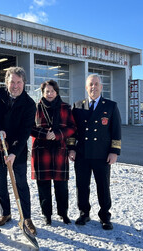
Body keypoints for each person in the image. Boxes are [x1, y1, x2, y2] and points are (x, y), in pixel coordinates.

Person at [0, 67, 37, 235]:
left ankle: (26, 217)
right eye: (12, 82)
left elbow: (24, 132)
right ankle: (5, 213)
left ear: (24, 83)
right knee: (1, 182)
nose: (15, 86)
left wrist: (14, 152)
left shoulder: (29, 104)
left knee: (21, 183)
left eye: (19, 82)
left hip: (18, 151)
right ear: (6, 82)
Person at [69, 74, 121, 230]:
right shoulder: (77, 106)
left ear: (101, 87)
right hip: (82, 154)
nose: (93, 87)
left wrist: (114, 151)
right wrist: (71, 148)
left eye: (96, 84)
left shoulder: (110, 106)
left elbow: (116, 131)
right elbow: (72, 131)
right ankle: (84, 213)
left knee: (103, 186)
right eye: (90, 84)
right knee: (82, 185)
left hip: (102, 154)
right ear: (86, 87)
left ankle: (105, 216)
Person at [30, 80, 76, 225]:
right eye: (46, 91)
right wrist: (44, 133)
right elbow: (28, 127)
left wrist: (58, 134)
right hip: (41, 152)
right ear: (42, 93)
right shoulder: (35, 108)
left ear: (57, 92)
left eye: (52, 91)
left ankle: (63, 213)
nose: (49, 94)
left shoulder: (65, 107)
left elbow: (72, 128)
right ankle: (47, 215)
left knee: (61, 186)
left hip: (60, 151)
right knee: (43, 186)